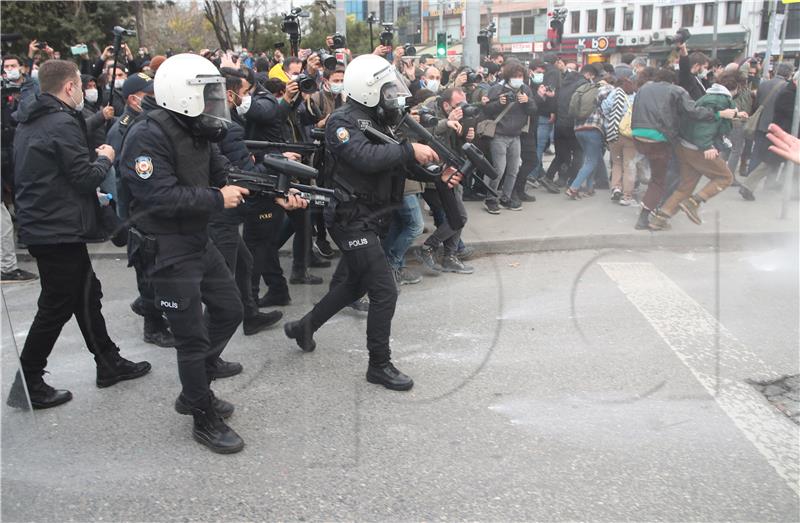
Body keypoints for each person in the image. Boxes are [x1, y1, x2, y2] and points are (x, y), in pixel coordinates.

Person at [283, 54, 460, 391]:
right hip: (350, 218)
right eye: (385, 89)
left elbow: (396, 164)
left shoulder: (379, 118)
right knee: (384, 291)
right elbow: (366, 158)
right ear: (367, 91)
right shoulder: (342, 122)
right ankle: (379, 364)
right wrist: (410, 151)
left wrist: (437, 174)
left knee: (352, 286)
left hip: (373, 216)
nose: (392, 95)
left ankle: (304, 327)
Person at [119, 54, 267, 453]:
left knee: (230, 309)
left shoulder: (197, 129)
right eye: (206, 95)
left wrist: (276, 192)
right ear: (181, 96)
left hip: (197, 239)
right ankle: (202, 414)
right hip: (166, 247)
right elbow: (159, 197)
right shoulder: (146, 136)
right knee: (191, 337)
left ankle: (194, 388)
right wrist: (218, 198)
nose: (213, 103)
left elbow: (225, 174)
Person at [8, 59, 151, 410]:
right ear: (70, 87)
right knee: (56, 305)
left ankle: (108, 362)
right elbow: (84, 176)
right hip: (55, 229)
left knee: (86, 294)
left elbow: (54, 167)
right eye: (79, 86)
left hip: (48, 225)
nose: (82, 93)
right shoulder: (60, 122)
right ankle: (28, 382)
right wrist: (105, 157)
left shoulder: (35, 120)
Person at [630, 67, 738, 230]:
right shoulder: (676, 90)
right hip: (660, 138)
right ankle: (645, 218)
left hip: (638, 135)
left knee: (684, 182)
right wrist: (719, 115)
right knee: (658, 181)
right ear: (673, 81)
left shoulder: (644, 88)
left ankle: (661, 217)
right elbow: (693, 111)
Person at [416, 87, 474, 275]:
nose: (462, 108)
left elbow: (458, 144)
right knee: (459, 216)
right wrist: (448, 122)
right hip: (433, 176)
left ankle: (450, 256)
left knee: (456, 217)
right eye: (458, 105)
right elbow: (425, 134)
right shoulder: (428, 112)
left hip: (452, 171)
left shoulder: (458, 115)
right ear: (446, 104)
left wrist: (467, 134)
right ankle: (430, 247)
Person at [482, 60, 539, 214]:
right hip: (499, 135)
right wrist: (499, 103)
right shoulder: (496, 89)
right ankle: (490, 198)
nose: (518, 78)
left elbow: (533, 110)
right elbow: (486, 110)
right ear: (507, 76)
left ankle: (506, 197)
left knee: (513, 169)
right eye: (515, 76)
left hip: (516, 135)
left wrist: (527, 102)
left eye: (520, 76)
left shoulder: (525, 89)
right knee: (499, 169)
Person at [739, 63, 795, 201]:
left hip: (762, 124)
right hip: (779, 130)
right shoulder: (786, 89)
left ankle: (755, 184)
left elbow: (757, 103)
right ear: (790, 74)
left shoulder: (764, 84)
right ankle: (754, 185)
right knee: (771, 159)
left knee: (759, 155)